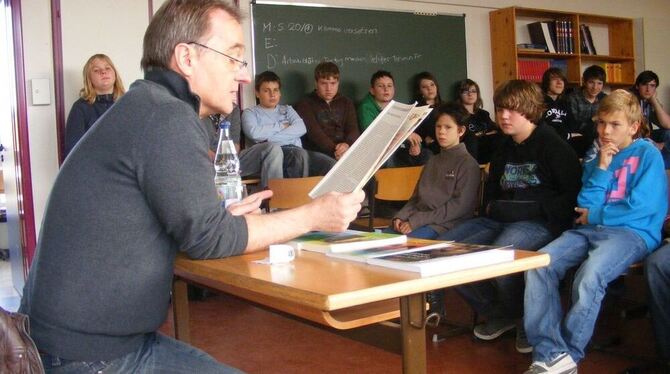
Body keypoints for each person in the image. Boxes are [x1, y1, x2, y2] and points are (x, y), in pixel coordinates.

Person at [20, 1, 364, 373]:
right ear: (186, 58)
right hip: (88, 357)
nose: (243, 76)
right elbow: (209, 239)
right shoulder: (165, 116)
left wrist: (218, 218)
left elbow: (190, 225)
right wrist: (316, 214)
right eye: (233, 58)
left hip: (84, 343)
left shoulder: (148, 106)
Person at [523, 89, 667, 374]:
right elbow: (583, 206)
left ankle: (569, 357)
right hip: (590, 230)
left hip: (631, 233)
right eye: (601, 123)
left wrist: (597, 213)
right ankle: (549, 352)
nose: (605, 131)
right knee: (538, 264)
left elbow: (641, 208)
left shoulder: (648, 154)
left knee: (589, 277)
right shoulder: (595, 154)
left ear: (633, 126)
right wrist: (601, 166)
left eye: (614, 124)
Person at [437, 80, 582, 353]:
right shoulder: (503, 145)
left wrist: (533, 211)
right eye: (501, 109)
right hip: (500, 218)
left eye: (512, 110)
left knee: (501, 253)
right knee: (446, 251)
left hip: (540, 222)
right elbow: (492, 188)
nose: (503, 116)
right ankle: (500, 314)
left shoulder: (554, 146)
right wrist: (491, 207)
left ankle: (526, 320)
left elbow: (570, 197)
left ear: (529, 110)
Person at [385, 102, 480, 239]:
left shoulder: (468, 164)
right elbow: (416, 198)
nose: (441, 131)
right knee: (381, 240)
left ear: (461, 131)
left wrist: (416, 221)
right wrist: (400, 216)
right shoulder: (432, 160)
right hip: (418, 220)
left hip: (444, 225)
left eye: (448, 127)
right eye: (438, 126)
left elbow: (458, 208)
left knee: (401, 245)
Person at [241, 71, 310, 178]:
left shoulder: (287, 109)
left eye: (275, 90)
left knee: (328, 164)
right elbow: (255, 134)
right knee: (299, 155)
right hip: (274, 154)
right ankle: (291, 194)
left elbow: (301, 128)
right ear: (257, 93)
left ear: (280, 92)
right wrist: (281, 126)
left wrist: (268, 139)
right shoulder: (250, 113)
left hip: (297, 150)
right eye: (266, 91)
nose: (272, 95)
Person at [295, 61, 358, 172]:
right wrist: (335, 150)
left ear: (338, 83)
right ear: (316, 83)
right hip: (317, 152)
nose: (329, 88)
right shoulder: (305, 104)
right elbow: (315, 134)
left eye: (333, 83)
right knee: (333, 166)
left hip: (346, 150)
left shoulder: (346, 102)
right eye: (324, 83)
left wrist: (347, 145)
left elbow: (353, 129)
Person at [358, 70, 430, 167]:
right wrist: (405, 135)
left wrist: (415, 145)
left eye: (389, 86)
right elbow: (373, 135)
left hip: (398, 148)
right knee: (389, 158)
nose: (386, 89)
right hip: (378, 153)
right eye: (380, 86)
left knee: (426, 155)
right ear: (372, 90)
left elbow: (408, 131)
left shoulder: (397, 107)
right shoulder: (366, 107)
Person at [203, 104, 284, 189]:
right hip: (205, 162)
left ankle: (273, 198)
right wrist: (218, 161)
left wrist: (230, 161)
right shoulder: (196, 108)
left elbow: (235, 143)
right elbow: (194, 145)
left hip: (230, 160)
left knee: (272, 149)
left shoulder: (233, 108)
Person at [64, 53, 125, 157]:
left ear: (115, 74)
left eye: (107, 68)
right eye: (96, 70)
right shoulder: (80, 108)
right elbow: (73, 151)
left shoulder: (127, 103)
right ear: (89, 78)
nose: (103, 72)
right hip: (95, 170)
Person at [631, 70, 670, 168]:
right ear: (637, 86)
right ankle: (658, 165)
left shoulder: (650, 100)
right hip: (633, 138)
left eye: (652, 86)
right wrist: (653, 143)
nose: (648, 89)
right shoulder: (630, 99)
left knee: (668, 133)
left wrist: (654, 101)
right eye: (645, 85)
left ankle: (659, 165)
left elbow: (667, 124)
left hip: (647, 136)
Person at [566, 64, 608, 157]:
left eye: (599, 83)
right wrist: (593, 119)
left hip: (601, 140)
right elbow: (573, 127)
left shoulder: (605, 99)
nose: (595, 87)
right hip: (578, 143)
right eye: (591, 82)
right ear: (584, 82)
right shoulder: (573, 98)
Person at [456, 78, 500, 164]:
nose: (470, 94)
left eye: (473, 91)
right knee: (471, 139)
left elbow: (494, 129)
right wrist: (483, 134)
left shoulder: (483, 114)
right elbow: (464, 136)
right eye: (466, 91)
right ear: (460, 95)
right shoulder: (457, 115)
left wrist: (481, 134)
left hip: (487, 147)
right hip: (471, 150)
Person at [412, 71, 444, 154]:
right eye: (424, 87)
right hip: (427, 146)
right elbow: (417, 131)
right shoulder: (416, 109)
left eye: (432, 85)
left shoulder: (446, 107)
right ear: (419, 91)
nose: (430, 89)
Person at [540, 67, 574, 142]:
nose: (559, 82)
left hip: (565, 142)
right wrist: (568, 135)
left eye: (562, 80)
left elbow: (572, 126)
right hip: (546, 141)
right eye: (555, 79)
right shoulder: (539, 102)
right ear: (547, 82)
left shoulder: (566, 103)